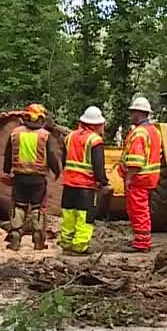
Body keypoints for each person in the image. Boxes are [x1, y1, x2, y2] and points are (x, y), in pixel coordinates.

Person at [1, 103, 62, 251]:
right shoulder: (44, 136)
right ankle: (38, 238)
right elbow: (51, 156)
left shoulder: (15, 133)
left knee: (19, 206)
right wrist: (57, 171)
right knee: (37, 208)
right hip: (38, 179)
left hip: (19, 177)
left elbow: (8, 154)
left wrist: (6, 170)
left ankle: (15, 235)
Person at [59, 106, 110, 254]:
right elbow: (98, 165)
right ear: (95, 125)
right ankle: (80, 246)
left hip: (68, 184)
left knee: (68, 215)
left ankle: (66, 244)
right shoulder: (95, 140)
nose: (103, 127)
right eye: (101, 124)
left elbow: (64, 160)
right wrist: (103, 182)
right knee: (85, 217)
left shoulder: (69, 137)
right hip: (86, 187)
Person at [117, 96, 164, 252]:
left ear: (139, 113)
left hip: (139, 178)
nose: (131, 116)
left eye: (132, 113)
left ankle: (142, 243)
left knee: (138, 210)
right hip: (149, 177)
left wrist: (129, 178)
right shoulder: (154, 131)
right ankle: (140, 240)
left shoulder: (139, 133)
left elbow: (136, 159)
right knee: (141, 209)